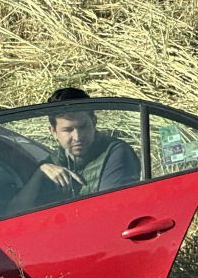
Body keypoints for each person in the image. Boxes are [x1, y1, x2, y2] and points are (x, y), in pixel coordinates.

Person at [9, 87, 140, 211]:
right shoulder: (54, 162)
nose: (77, 137)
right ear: (53, 131)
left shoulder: (115, 153)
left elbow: (111, 208)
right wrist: (40, 172)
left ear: (94, 122)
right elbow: (14, 213)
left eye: (83, 127)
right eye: (68, 130)